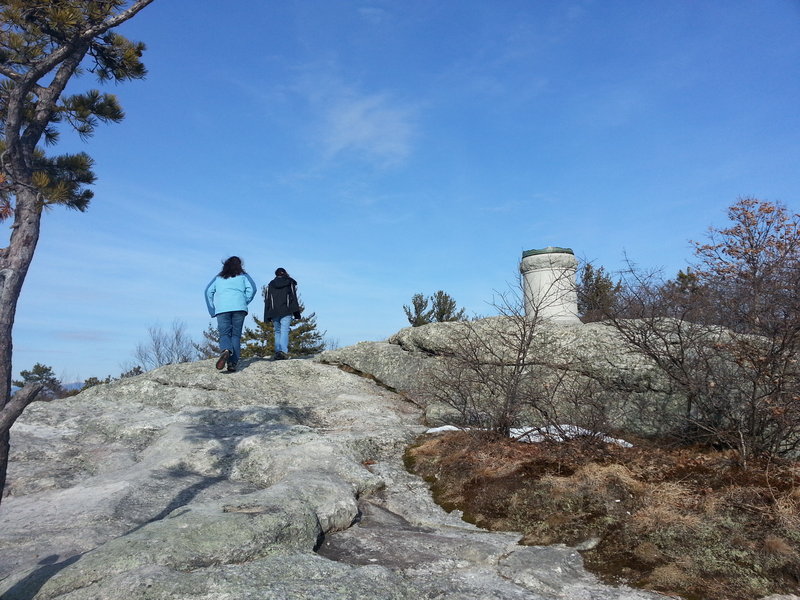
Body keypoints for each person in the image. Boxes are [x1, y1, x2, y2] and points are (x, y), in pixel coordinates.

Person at [205, 256, 256, 372]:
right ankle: (232, 363)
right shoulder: (243, 276)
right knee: (236, 335)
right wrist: (244, 301)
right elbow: (253, 289)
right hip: (239, 308)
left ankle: (226, 350)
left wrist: (212, 309)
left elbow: (208, 291)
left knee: (224, 334)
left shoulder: (219, 278)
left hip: (222, 309)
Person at [264, 267, 301, 360]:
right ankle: (283, 351)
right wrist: (296, 312)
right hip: (286, 310)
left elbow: (267, 300)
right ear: (285, 273)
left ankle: (277, 351)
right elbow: (293, 297)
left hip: (274, 311)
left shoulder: (271, 284)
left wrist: (267, 316)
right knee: (285, 330)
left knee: (277, 331)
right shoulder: (289, 282)